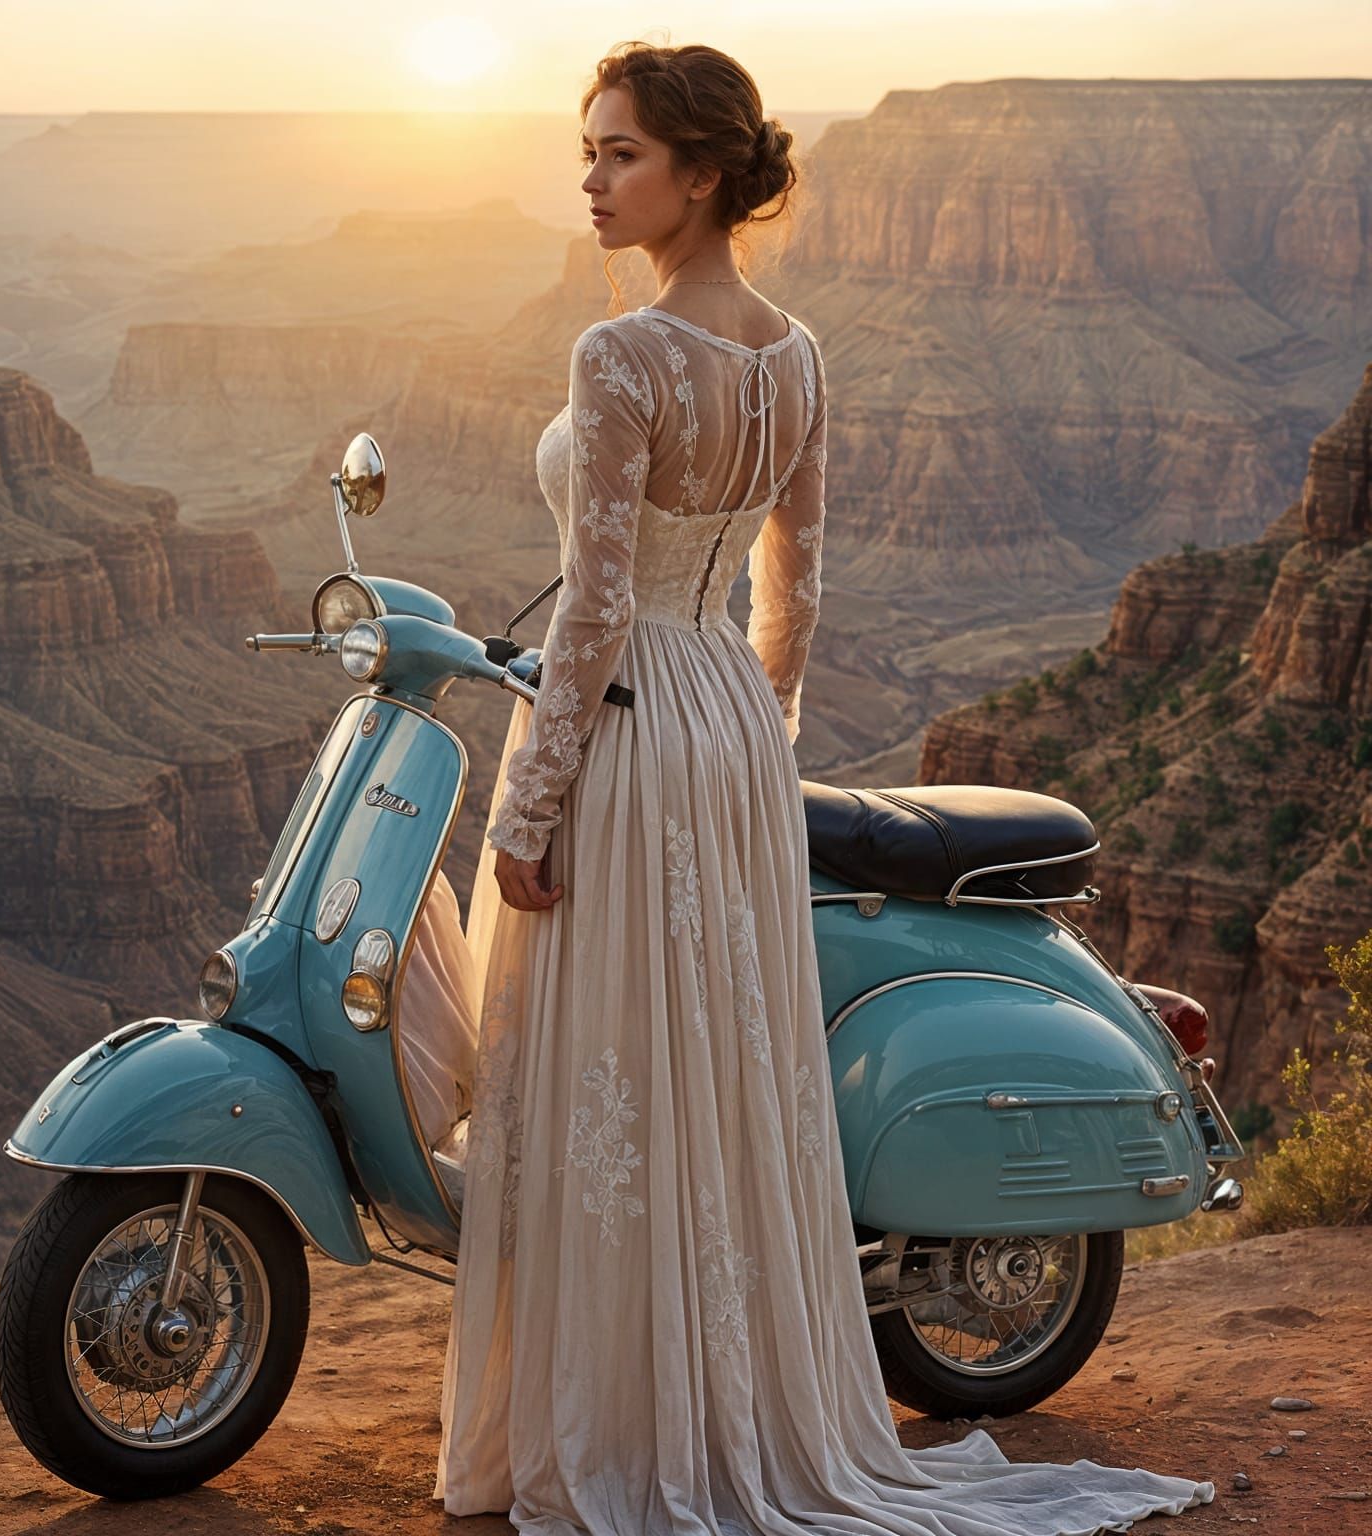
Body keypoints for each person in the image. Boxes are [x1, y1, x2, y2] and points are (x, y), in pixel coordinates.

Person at [435, 39, 1216, 1535]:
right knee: (706, 1073)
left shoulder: (622, 357)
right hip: (724, 727)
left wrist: (531, 811)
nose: (589, 182)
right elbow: (796, 598)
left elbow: (594, 614)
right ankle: (721, 1402)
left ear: (703, 172)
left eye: (619, 156)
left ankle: (617, 1421)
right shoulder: (795, 359)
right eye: (586, 153)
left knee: (610, 1067)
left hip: (633, 719)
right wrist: (752, 741)